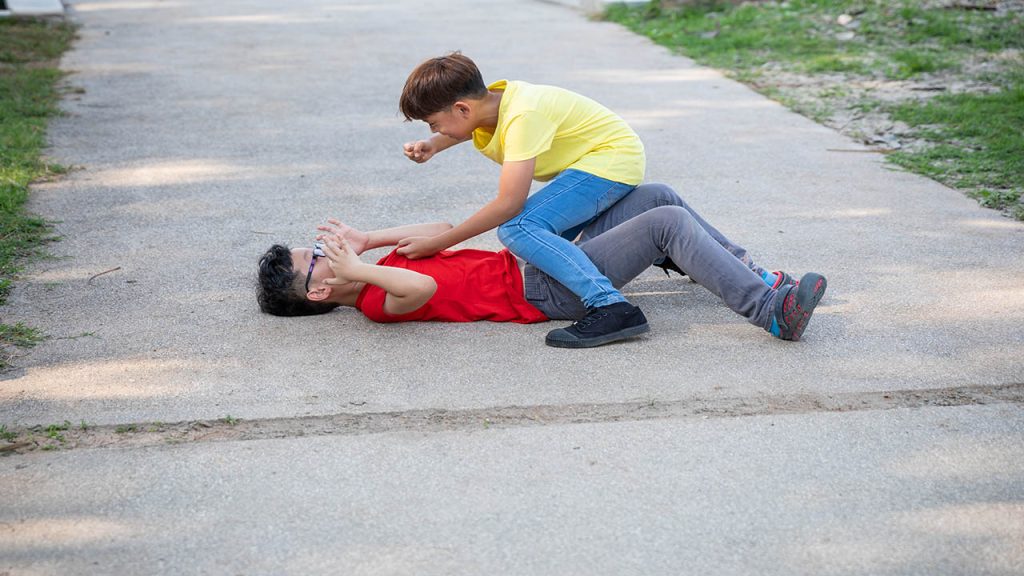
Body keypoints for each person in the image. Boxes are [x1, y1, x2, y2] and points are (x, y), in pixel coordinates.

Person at [256, 184, 828, 345]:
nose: (330, 251)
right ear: (318, 293)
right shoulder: (377, 301)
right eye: (319, 260)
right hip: (550, 295)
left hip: (538, 265)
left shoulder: (372, 261)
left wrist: (370, 237)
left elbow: (437, 234)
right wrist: (361, 270)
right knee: (667, 226)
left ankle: (755, 276)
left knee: (653, 197)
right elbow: (421, 285)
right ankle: (769, 311)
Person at [394, 52, 650, 348]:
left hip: (611, 161)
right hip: (600, 158)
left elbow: (509, 203)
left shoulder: (523, 115)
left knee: (518, 229)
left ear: (462, 108)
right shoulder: (493, 102)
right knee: (537, 242)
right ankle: (652, 248)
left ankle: (610, 306)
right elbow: (474, 124)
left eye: (433, 125)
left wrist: (439, 243)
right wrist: (434, 144)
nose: (435, 130)